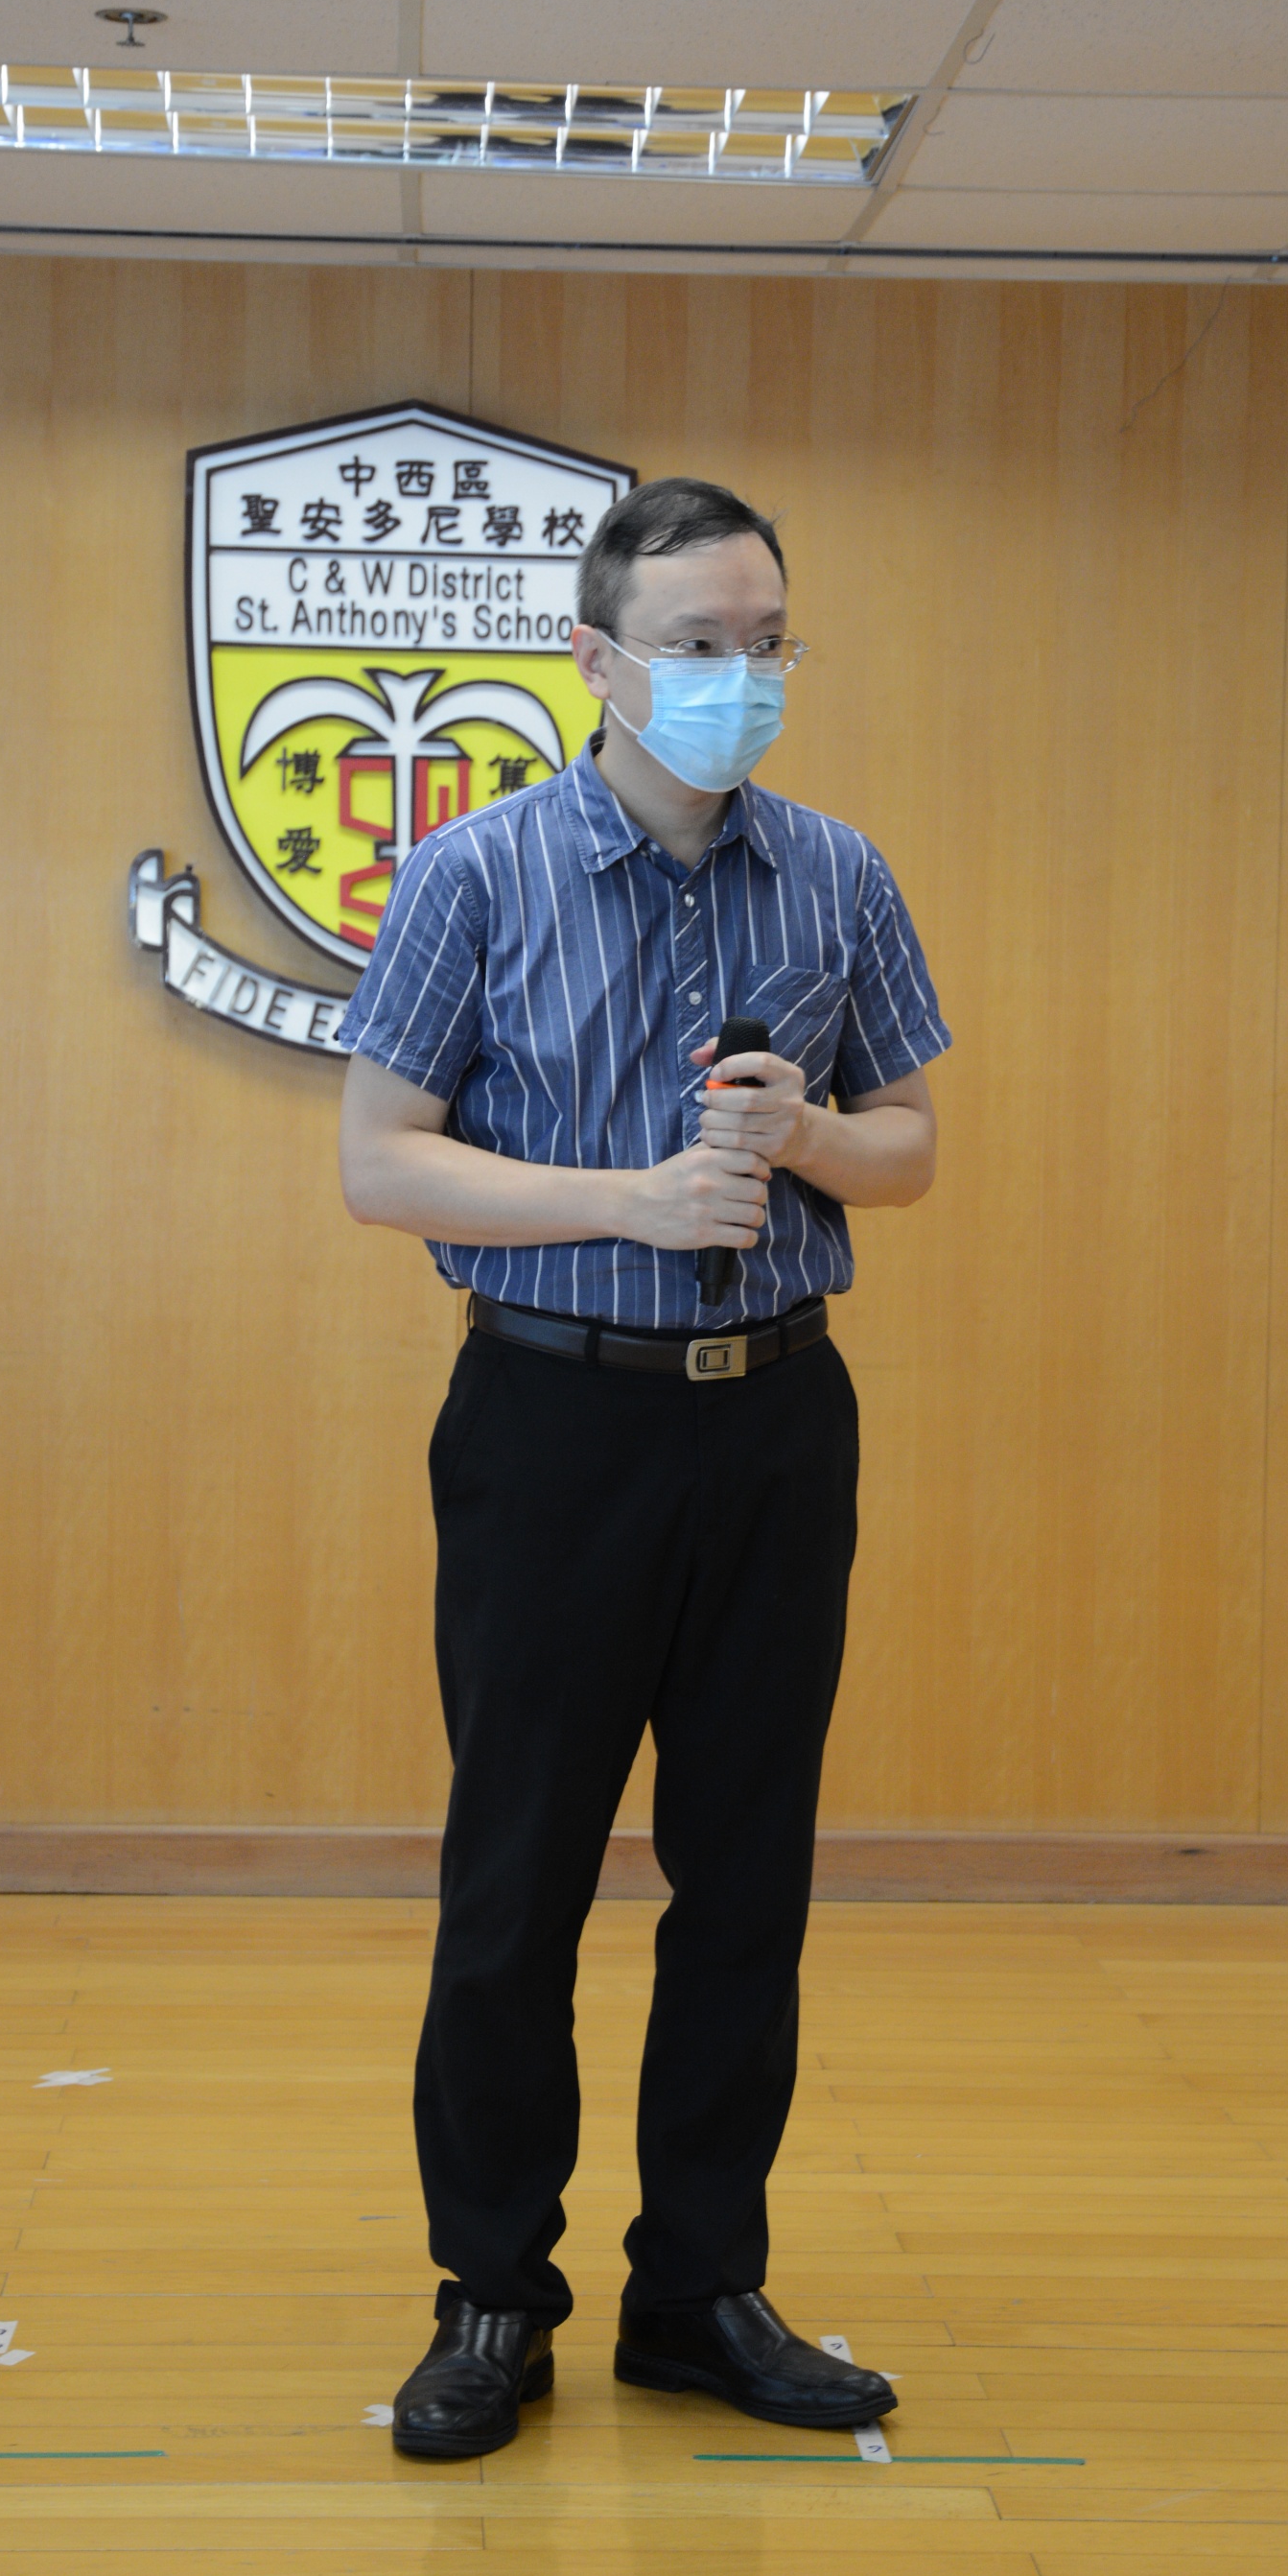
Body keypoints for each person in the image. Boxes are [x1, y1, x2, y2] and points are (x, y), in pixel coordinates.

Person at [337, 476, 949, 2460]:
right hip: (555, 1422)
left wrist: (807, 1137)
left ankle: (699, 2291)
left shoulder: (839, 873)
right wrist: (638, 1193)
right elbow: (382, 1162)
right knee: (518, 1880)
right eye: (698, 646)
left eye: (767, 644)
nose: (739, 678)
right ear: (597, 659)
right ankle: (492, 2294)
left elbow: (910, 1146)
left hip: (777, 1422)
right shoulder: (478, 874)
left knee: (747, 1876)